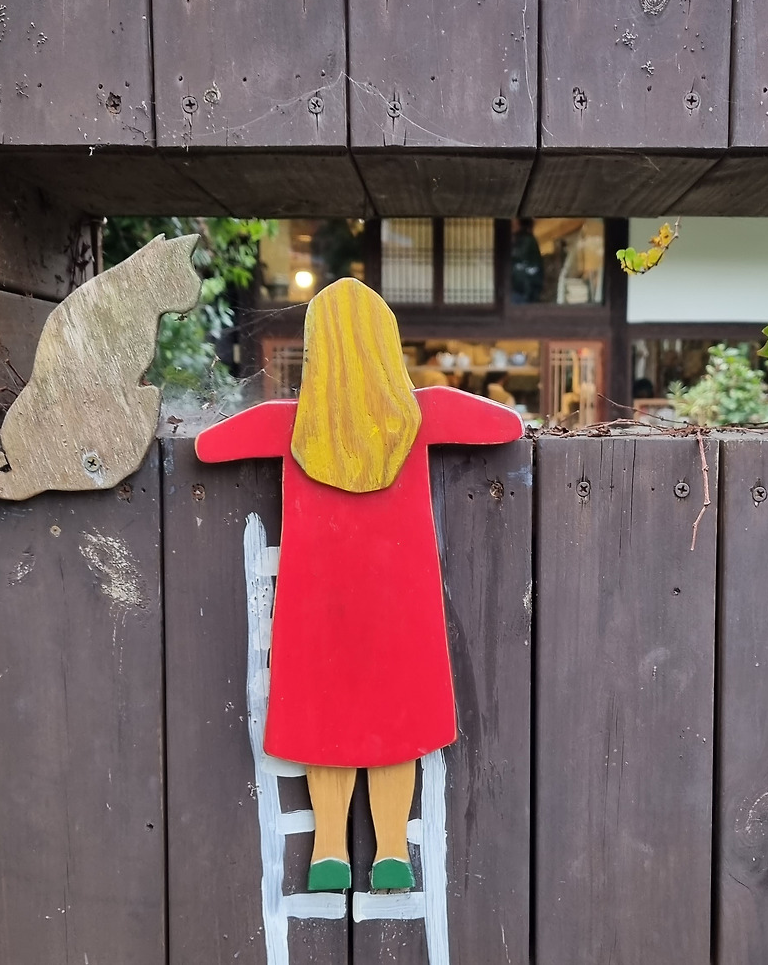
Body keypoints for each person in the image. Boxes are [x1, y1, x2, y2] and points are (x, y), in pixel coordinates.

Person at [195, 279, 523, 894]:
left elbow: (210, 447)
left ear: (316, 353)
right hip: (402, 609)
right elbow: (505, 425)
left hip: (317, 611)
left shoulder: (291, 426)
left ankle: (328, 852)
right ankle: (392, 851)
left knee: (324, 720)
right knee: (398, 722)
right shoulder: (422, 417)